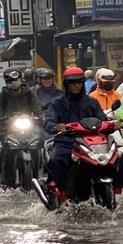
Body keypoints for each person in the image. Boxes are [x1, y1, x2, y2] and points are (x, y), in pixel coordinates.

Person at [43, 67, 108, 202]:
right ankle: (64, 193)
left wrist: (113, 125)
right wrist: (57, 127)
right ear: (66, 85)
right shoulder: (57, 103)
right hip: (66, 142)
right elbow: (48, 123)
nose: (76, 85)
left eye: (79, 82)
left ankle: (113, 188)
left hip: (90, 143)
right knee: (56, 161)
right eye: (73, 83)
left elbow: (103, 119)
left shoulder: (92, 102)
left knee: (114, 158)